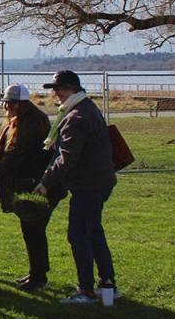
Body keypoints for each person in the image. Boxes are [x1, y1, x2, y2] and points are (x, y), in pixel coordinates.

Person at [33, 70, 118, 304]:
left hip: (88, 184)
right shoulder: (87, 108)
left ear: (72, 89)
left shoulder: (75, 117)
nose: (56, 93)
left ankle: (86, 290)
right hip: (100, 181)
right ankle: (107, 286)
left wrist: (45, 182)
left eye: (60, 88)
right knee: (94, 233)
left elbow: (66, 158)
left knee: (78, 235)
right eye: (54, 89)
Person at [0, 85, 64, 291]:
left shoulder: (32, 124)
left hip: (40, 185)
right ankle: (37, 273)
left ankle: (38, 277)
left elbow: (16, 156)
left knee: (34, 228)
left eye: (12, 102)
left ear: (22, 104)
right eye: (6, 102)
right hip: (29, 183)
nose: (7, 105)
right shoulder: (16, 120)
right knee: (31, 229)